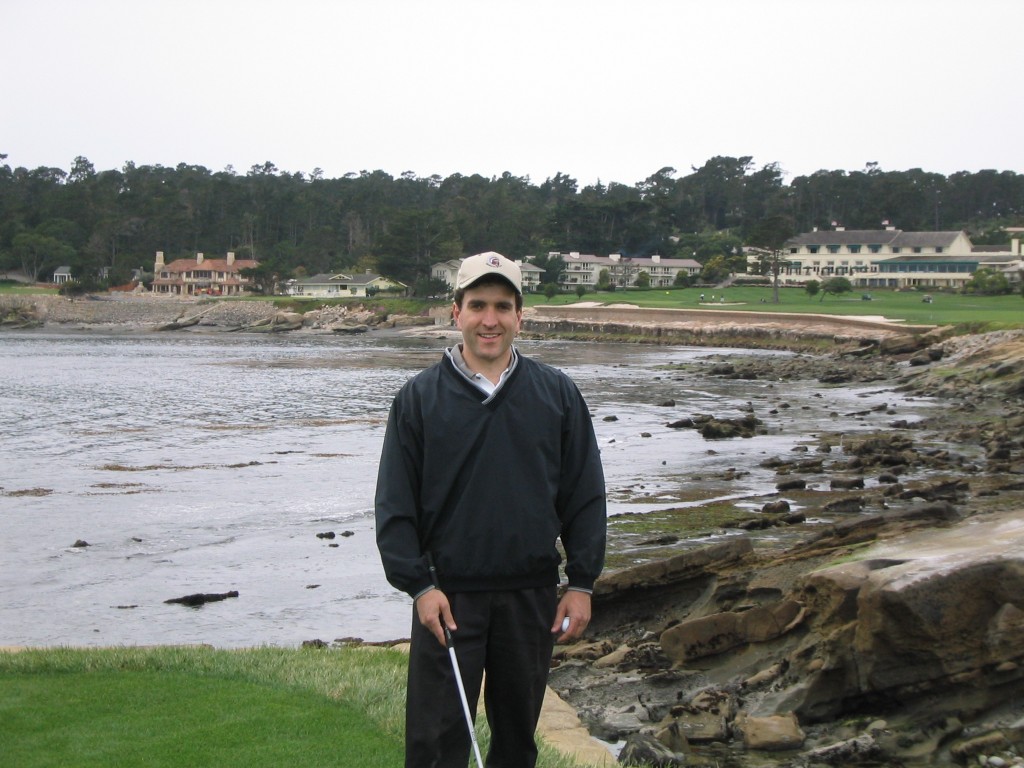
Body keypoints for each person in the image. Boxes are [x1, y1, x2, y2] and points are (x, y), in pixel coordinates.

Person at [375, 251, 607, 768]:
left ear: (519, 316)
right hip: (449, 600)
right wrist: (419, 585)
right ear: (455, 312)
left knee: (517, 744)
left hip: (531, 597)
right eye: (477, 304)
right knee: (437, 744)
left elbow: (585, 495)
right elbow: (395, 505)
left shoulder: (558, 395)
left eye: (503, 306)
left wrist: (582, 582)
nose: (490, 319)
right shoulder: (418, 400)